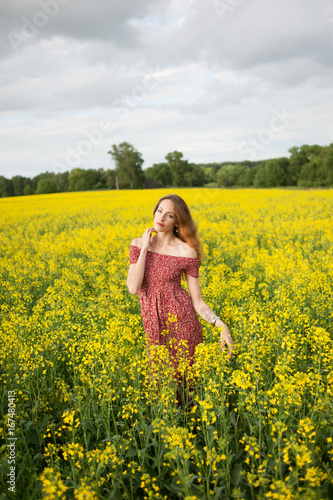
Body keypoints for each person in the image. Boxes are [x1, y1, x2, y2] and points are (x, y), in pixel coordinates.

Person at [126, 194, 233, 403]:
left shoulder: (186, 251)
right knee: (159, 388)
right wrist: (146, 248)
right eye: (159, 211)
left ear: (177, 221)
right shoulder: (138, 245)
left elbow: (198, 302)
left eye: (169, 215)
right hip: (154, 325)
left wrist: (220, 324)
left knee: (186, 390)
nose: (161, 218)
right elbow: (132, 287)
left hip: (183, 325)